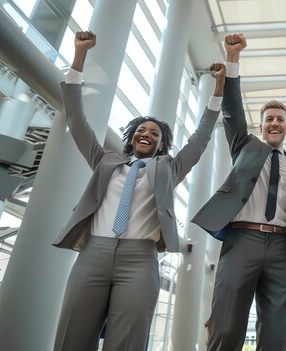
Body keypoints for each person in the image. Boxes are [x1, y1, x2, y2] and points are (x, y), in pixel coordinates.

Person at [52, 31, 224, 351]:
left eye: (154, 133)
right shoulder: (105, 161)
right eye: (142, 130)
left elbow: (200, 139)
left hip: (140, 260)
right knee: (72, 335)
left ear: (161, 143)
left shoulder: (169, 169)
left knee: (128, 341)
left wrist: (218, 91)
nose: (147, 134)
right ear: (132, 137)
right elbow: (76, 119)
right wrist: (79, 56)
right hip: (94, 253)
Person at [192, 33, 286, 351]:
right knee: (226, 323)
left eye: (280, 120)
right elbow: (231, 110)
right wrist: (233, 58)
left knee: (275, 330)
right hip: (241, 242)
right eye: (269, 119)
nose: (275, 123)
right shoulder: (244, 147)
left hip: (281, 247)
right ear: (260, 127)